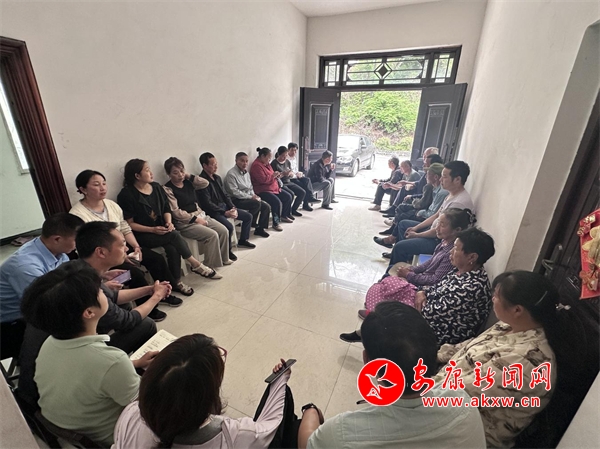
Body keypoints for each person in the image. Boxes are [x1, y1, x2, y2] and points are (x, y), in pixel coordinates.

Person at [434, 271, 587, 447]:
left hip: (467, 431)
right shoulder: (509, 326)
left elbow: (454, 394)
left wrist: (416, 386)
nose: (492, 299)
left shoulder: (525, 361)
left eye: (497, 296)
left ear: (517, 310)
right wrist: (434, 356)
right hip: (444, 396)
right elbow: (468, 348)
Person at [309, 302, 486, 449]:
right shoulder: (464, 405)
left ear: (369, 362)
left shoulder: (340, 434)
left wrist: (311, 411)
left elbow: (308, 444)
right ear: (434, 354)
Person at [21, 262, 157, 446]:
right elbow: (149, 405)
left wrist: (135, 363)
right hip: (112, 437)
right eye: (100, 291)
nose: (104, 292)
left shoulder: (50, 344)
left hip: (68, 430)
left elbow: (84, 375)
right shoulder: (112, 361)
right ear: (89, 312)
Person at [113, 333, 323, 449]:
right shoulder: (233, 435)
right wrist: (281, 380)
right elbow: (270, 425)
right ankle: (311, 410)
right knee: (293, 423)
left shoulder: (130, 416)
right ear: (206, 394)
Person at [343, 226, 494, 346]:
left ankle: (371, 327)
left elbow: (431, 314)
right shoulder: (462, 270)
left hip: (435, 332)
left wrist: (415, 294)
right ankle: (375, 318)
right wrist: (422, 292)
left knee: (392, 308)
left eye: (456, 248)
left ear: (472, 257)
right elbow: (437, 286)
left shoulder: (470, 288)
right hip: (428, 307)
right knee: (392, 283)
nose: (451, 252)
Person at [71, 169, 184, 322]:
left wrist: (136, 247)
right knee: (134, 273)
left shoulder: (111, 205)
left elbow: (124, 227)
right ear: (83, 189)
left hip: (121, 247)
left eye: (104, 183)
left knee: (156, 259)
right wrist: (122, 255)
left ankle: (164, 292)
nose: (102, 188)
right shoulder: (77, 214)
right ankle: (149, 308)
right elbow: (85, 247)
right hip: (102, 256)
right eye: (96, 185)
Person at [117, 159, 221, 289]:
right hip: (143, 234)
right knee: (174, 235)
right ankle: (195, 264)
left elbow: (167, 209)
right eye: (147, 170)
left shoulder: (156, 187)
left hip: (162, 229)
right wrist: (152, 229)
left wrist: (169, 222)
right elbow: (130, 224)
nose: (151, 173)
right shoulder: (126, 195)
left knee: (173, 248)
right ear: (137, 176)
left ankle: (176, 282)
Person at [0, 213, 82, 360]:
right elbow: (46, 305)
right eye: (76, 239)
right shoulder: (25, 266)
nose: (79, 243)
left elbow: (66, 283)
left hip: (31, 314)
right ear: (57, 239)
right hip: (10, 327)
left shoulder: (58, 252)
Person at [384, 160, 476, 264]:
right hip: (433, 230)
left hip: (438, 241)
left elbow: (441, 232)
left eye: (444, 177)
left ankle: (397, 264)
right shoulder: (451, 194)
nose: (440, 179)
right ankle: (405, 258)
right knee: (403, 224)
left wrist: (417, 235)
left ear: (457, 179)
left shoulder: (458, 203)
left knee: (399, 247)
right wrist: (416, 228)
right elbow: (437, 215)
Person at [163, 158, 232, 268]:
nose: (180, 175)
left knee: (224, 230)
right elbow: (175, 212)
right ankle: (211, 265)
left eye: (182, 171)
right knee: (212, 235)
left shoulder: (188, 182)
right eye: (175, 173)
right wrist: (195, 219)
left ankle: (224, 258)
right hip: (185, 222)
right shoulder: (167, 189)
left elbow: (205, 183)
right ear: (168, 174)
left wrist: (188, 176)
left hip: (200, 214)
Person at [197, 152, 256, 256]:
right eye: (213, 164)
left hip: (224, 207)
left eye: (216, 164)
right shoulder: (201, 181)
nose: (216, 167)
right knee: (229, 227)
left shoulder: (217, 178)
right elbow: (207, 204)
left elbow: (225, 195)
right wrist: (224, 212)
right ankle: (227, 251)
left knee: (248, 216)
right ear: (205, 165)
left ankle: (243, 240)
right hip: (214, 211)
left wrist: (232, 207)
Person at [376, 162, 447, 243]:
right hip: (424, 211)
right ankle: (393, 234)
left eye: (427, 174)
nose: (425, 177)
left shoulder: (440, 192)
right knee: (402, 207)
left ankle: (394, 239)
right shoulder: (435, 188)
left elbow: (431, 213)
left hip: (426, 217)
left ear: (436, 177)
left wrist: (420, 211)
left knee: (403, 218)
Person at [381, 148, 441, 217]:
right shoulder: (427, 172)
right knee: (403, 189)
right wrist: (406, 182)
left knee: (404, 202)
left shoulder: (431, 175)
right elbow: (419, 183)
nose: (423, 159)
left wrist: (412, 196)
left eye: (426, 156)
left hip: (420, 197)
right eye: (424, 156)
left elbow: (426, 197)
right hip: (418, 192)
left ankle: (397, 214)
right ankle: (393, 209)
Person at [224, 152, 272, 238]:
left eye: (246, 161)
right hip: (235, 200)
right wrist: (251, 197)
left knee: (266, 206)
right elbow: (235, 192)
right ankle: (251, 223)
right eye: (242, 161)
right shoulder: (231, 174)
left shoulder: (246, 173)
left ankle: (260, 229)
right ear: (236, 161)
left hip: (247, 198)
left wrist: (254, 195)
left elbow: (250, 188)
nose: (245, 163)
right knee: (256, 204)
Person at [250, 147, 294, 230]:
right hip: (263, 190)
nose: (269, 160)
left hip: (273, 188)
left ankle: (284, 215)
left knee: (288, 196)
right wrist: (273, 176)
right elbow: (262, 180)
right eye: (268, 158)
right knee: (277, 202)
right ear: (262, 156)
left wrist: (277, 174)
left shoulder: (266, 164)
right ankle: (276, 223)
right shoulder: (256, 166)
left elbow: (271, 174)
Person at [271, 146, 307, 216]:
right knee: (291, 194)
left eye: (286, 155)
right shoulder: (274, 163)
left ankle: (293, 210)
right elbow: (274, 177)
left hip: (288, 181)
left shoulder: (287, 161)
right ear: (278, 154)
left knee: (302, 192)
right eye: (283, 156)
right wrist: (283, 174)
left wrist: (290, 174)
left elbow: (291, 172)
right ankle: (286, 213)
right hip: (280, 183)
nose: (284, 158)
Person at [287, 142, 319, 208]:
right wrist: (296, 175)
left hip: (296, 176)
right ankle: (306, 204)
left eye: (295, 150)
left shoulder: (294, 158)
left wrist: (299, 173)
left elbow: (295, 170)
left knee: (307, 179)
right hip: (291, 179)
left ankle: (310, 198)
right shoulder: (286, 159)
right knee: (304, 186)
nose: (294, 152)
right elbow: (289, 173)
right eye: (292, 150)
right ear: (288, 150)